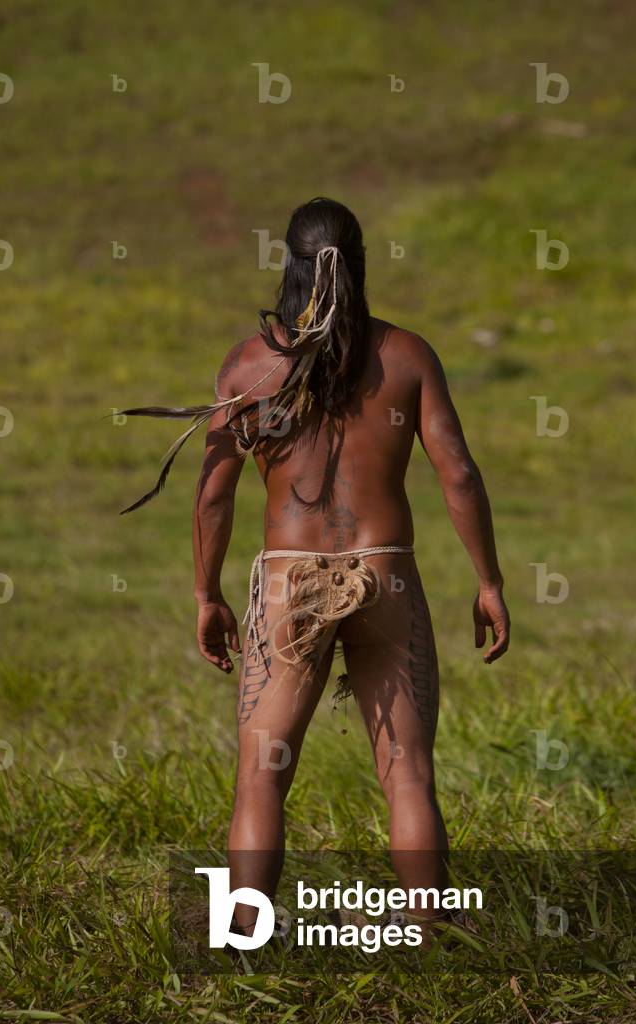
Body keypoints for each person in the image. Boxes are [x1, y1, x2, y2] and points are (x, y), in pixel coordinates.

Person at [122, 196, 510, 935]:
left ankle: (243, 942)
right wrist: (488, 580)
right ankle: (430, 940)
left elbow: (212, 491)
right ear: (359, 267)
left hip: (286, 583)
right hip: (386, 572)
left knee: (262, 777)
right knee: (409, 776)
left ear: (289, 266)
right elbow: (457, 473)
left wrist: (206, 593)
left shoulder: (250, 365)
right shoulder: (406, 355)